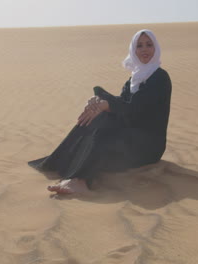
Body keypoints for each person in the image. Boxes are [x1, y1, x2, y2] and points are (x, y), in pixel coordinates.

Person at [28, 29, 172, 194]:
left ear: (156, 48)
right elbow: (122, 104)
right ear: (133, 50)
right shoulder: (132, 81)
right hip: (129, 139)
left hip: (148, 147)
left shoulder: (160, 78)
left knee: (105, 128)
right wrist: (98, 100)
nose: (144, 49)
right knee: (97, 117)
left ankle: (80, 181)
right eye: (139, 46)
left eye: (149, 44)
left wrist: (106, 104)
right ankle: (59, 163)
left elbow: (134, 108)